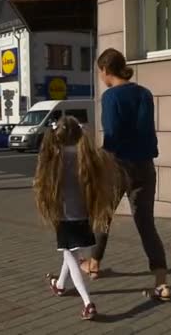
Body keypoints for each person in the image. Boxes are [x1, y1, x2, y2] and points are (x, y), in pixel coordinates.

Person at [80, 48, 170, 301]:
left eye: (100, 71)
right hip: (145, 166)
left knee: (103, 214)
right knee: (146, 224)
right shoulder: (144, 93)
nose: (100, 76)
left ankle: (94, 264)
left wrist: (98, 159)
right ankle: (162, 282)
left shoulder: (111, 97)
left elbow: (112, 134)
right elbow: (147, 131)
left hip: (118, 166)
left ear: (105, 70)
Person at [34, 116, 123, 320]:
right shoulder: (87, 156)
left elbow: (42, 182)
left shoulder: (55, 158)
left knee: (71, 256)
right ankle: (59, 286)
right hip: (84, 214)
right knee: (71, 252)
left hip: (64, 216)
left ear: (58, 135)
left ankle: (88, 302)